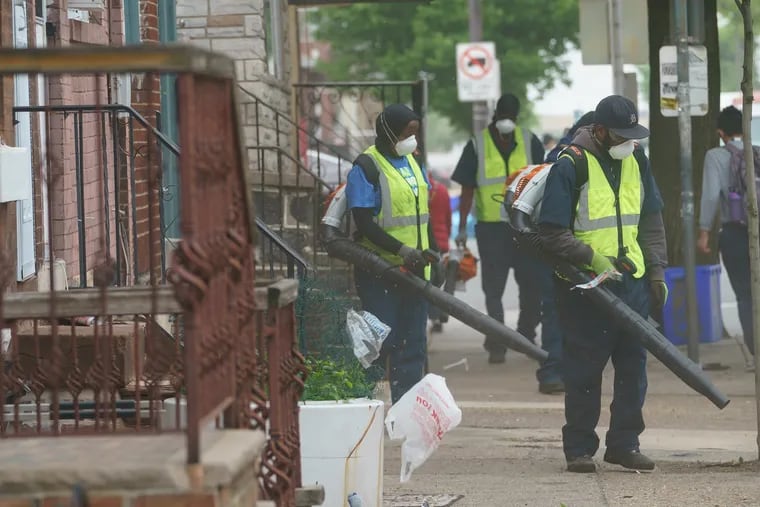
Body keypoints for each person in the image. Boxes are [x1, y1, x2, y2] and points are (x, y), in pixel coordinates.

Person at [538, 95, 668, 473]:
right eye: (621, 136)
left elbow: (651, 221)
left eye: (633, 134)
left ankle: (624, 445)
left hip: (631, 283)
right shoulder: (571, 165)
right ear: (598, 131)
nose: (630, 142)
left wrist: (656, 272)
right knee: (584, 371)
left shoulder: (636, 159)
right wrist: (593, 261)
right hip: (585, 287)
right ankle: (579, 448)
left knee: (634, 369)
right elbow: (551, 233)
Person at [345, 103, 436, 404]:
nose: (414, 139)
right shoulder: (366, 167)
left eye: (416, 133)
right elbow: (364, 222)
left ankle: (405, 413)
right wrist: (401, 250)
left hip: (414, 271)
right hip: (380, 272)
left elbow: (423, 214)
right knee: (379, 343)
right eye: (408, 133)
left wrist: (432, 254)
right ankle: (363, 408)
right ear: (389, 132)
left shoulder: (412, 162)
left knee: (412, 347)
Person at [451, 93, 545, 364]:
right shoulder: (477, 145)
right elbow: (467, 189)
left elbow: (545, 176)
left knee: (532, 286)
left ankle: (526, 335)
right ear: (495, 117)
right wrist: (461, 227)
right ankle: (497, 341)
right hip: (491, 229)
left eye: (511, 118)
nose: (507, 122)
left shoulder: (529, 140)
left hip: (525, 227)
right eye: (503, 117)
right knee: (493, 290)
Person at [531, 112, 598, 395]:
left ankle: (555, 371)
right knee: (565, 315)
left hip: (563, 250)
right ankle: (558, 372)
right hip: (568, 250)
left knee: (558, 314)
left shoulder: (557, 156)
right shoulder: (569, 160)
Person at [698, 105, 756, 358]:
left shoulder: (715, 156)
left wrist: (704, 232)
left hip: (734, 233)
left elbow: (711, 196)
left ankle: (756, 350)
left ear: (721, 132)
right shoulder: (755, 151)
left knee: (745, 295)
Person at [427, 169, 452, 333]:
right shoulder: (441, 190)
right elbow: (448, 217)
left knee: (427, 282)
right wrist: (446, 237)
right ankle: (438, 316)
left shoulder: (419, 190)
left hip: (425, 243)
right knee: (438, 281)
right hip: (441, 243)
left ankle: (433, 316)